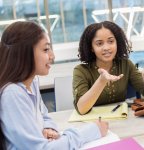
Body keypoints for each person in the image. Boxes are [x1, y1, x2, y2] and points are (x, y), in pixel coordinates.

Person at [0, 21, 108, 150]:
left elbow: (44, 116)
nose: (52, 56)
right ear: (24, 54)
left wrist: (48, 128)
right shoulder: (12, 93)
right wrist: (92, 130)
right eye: (46, 49)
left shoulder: (31, 82)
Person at [73, 21, 144, 115]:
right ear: (91, 48)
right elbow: (81, 109)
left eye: (111, 41)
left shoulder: (126, 64)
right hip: (93, 124)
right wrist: (102, 80)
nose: (106, 47)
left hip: (121, 121)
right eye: (99, 43)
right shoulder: (81, 71)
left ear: (117, 43)